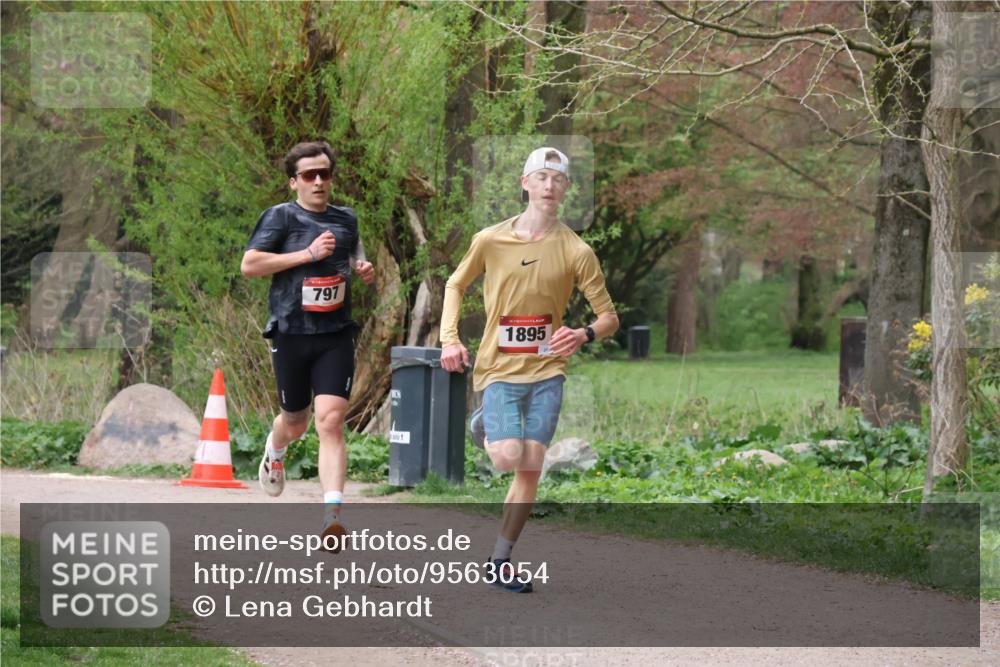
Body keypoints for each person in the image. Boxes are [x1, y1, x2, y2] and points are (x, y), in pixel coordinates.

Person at [439, 147, 618, 592]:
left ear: (567, 188)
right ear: (525, 184)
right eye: (541, 177)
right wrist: (449, 339)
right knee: (506, 457)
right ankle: (483, 422)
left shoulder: (577, 250)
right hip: (499, 368)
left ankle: (499, 561)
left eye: (558, 179)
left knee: (531, 465)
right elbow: (455, 284)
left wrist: (583, 334)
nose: (549, 186)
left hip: (548, 370)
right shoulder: (490, 240)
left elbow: (609, 318)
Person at [241, 140, 375, 550]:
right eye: (309, 175)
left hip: (335, 334)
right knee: (295, 423)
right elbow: (250, 265)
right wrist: (306, 254)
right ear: (293, 182)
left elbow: (353, 251)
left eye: (325, 173)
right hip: (292, 332)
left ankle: (332, 517)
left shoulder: (346, 218)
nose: (318, 181)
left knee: (330, 421)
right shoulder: (280, 217)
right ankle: (276, 447)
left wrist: (361, 266)